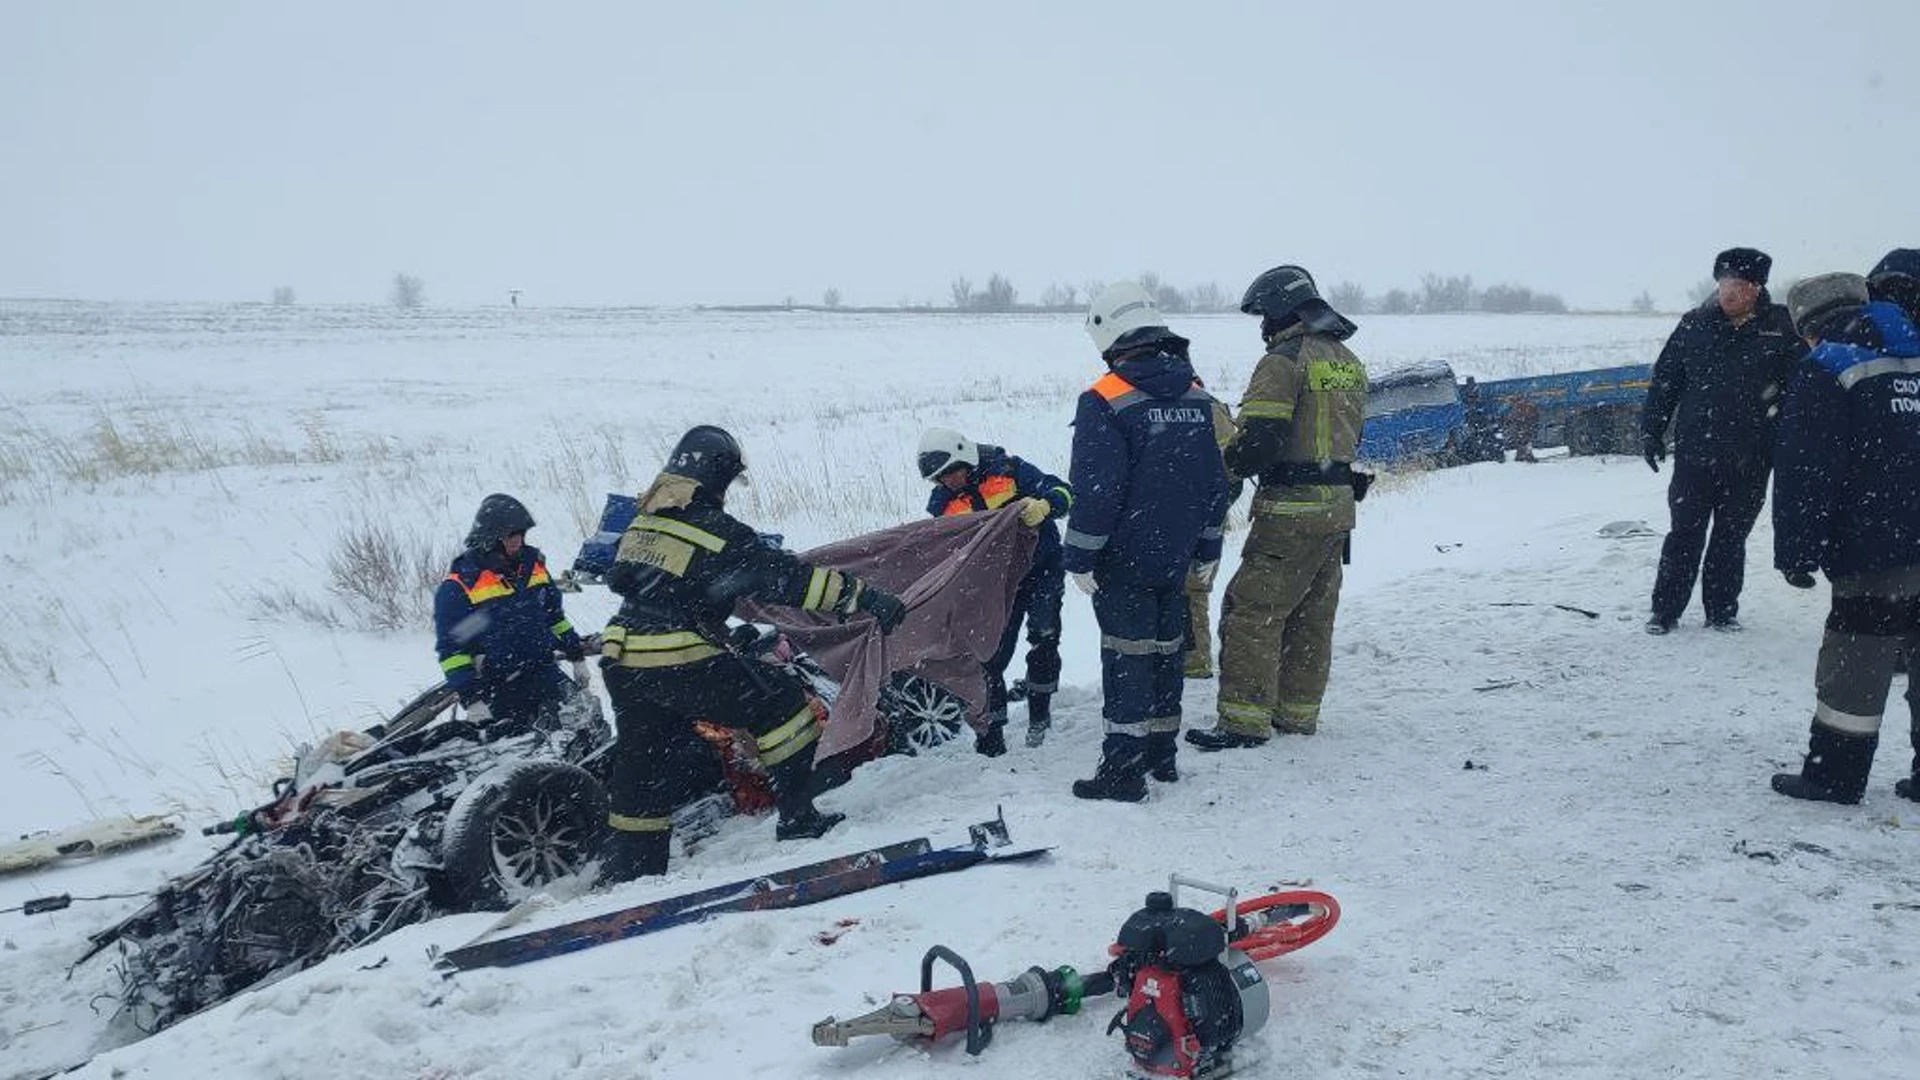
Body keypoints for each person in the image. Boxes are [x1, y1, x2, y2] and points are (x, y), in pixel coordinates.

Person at [597, 426, 907, 881]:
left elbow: (624, 578)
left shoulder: (645, 520)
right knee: (781, 703)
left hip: (625, 660)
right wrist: (864, 597)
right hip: (677, 657)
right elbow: (791, 581)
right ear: (717, 477)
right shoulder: (717, 531)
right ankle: (799, 817)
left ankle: (635, 871)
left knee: (645, 761)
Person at [1186, 265, 1369, 751]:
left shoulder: (1283, 362)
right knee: (1312, 615)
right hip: (1338, 507)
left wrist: (1224, 464)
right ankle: (1297, 714)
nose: (1262, 325)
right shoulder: (1347, 360)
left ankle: (1244, 722)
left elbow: (1261, 439)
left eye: (1264, 314)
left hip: (1290, 511)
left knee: (1253, 612)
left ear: (1281, 310)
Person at [1064, 283, 1232, 801]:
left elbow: (1097, 489)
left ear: (1108, 335)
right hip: (1175, 556)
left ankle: (1122, 771)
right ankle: (1163, 756)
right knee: (1165, 652)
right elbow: (1214, 483)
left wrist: (1080, 555)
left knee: (1126, 656)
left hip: (1124, 556)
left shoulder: (1105, 399)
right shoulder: (1197, 396)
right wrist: (1207, 548)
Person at [1768, 274, 1920, 805]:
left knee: (1856, 659)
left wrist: (1796, 551)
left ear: (1810, 326)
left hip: (1871, 545)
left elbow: (1805, 470)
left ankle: (1835, 775)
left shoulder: (1829, 366)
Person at [1640, 247, 1804, 634]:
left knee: (1731, 537)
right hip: (1696, 453)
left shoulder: (1780, 326)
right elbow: (1667, 380)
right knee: (1684, 534)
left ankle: (1721, 610)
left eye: (1740, 285)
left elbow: (1799, 391)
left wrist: (1790, 443)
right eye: (1725, 284)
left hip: (1752, 456)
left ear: (1757, 288)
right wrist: (1651, 430)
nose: (1730, 293)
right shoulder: (1694, 324)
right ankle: (1665, 612)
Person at [916, 428, 1072, 751]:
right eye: (940, 479)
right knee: (990, 654)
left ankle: (1040, 715)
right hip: (996, 584)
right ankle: (992, 732)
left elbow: (1064, 491)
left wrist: (1045, 505)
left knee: (1044, 636)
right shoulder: (943, 506)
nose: (948, 482)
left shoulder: (1009, 471)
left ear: (966, 458)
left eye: (951, 473)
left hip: (1042, 568)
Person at [433, 494, 590, 727]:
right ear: (490, 538)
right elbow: (454, 651)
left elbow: (554, 618)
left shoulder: (534, 568)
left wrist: (576, 655)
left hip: (543, 671)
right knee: (520, 754)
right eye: (510, 535)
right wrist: (473, 700)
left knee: (586, 726)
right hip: (498, 688)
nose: (517, 540)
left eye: (520, 534)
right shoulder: (463, 585)